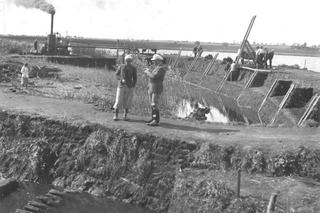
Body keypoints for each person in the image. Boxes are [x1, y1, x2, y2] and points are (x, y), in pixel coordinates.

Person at [144, 54, 167, 126]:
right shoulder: (157, 67)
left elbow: (154, 76)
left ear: (158, 60)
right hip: (152, 87)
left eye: (154, 61)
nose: (153, 62)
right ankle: (153, 118)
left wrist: (148, 72)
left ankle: (156, 120)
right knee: (152, 104)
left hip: (157, 87)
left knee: (154, 104)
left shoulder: (161, 68)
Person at [113, 54, 137, 121]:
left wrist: (133, 86)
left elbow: (135, 78)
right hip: (121, 86)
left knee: (127, 101)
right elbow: (116, 75)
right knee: (118, 100)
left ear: (131, 61)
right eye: (127, 60)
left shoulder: (133, 68)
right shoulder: (121, 66)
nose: (128, 62)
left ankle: (125, 116)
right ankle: (115, 115)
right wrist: (121, 80)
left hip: (129, 87)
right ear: (125, 60)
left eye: (129, 60)